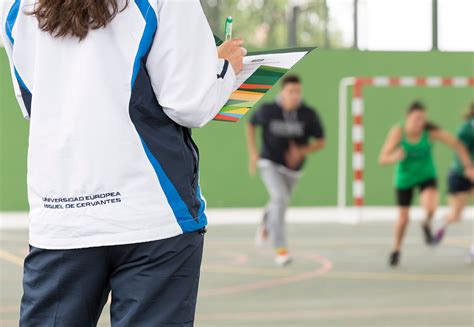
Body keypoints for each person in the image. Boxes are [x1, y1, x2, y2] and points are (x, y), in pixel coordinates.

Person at [1, 0, 245, 325]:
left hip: (61, 215)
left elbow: (34, 98)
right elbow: (191, 103)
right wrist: (223, 67)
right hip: (153, 212)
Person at [379, 101, 474, 267]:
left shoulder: (429, 132)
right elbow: (382, 159)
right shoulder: (398, 132)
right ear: (407, 117)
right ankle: (396, 249)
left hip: (426, 176)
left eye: (422, 119)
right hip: (405, 179)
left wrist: (468, 166)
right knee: (403, 218)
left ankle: (426, 222)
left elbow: (457, 145)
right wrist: (394, 157)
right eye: (416, 119)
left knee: (430, 207)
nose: (419, 123)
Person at [246, 75, 325, 266]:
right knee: (280, 199)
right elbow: (251, 124)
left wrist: (302, 151)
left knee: (278, 201)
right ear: (283, 92)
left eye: (298, 91)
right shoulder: (268, 110)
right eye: (291, 91)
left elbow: (321, 141)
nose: (295, 95)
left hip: (293, 170)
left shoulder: (308, 114)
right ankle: (280, 249)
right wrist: (253, 154)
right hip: (269, 163)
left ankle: (266, 222)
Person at [432, 104, 474, 251]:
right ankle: (442, 222)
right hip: (460, 174)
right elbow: (460, 150)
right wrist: (468, 168)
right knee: (456, 216)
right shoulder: (467, 128)